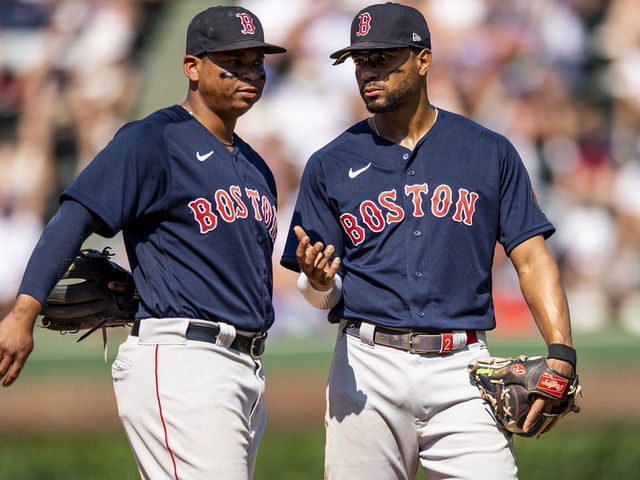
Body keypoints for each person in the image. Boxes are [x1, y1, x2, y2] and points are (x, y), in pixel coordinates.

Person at [280, 3, 576, 479]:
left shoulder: (487, 150)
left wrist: (560, 352)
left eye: (382, 58)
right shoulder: (329, 163)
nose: (368, 73)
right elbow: (320, 297)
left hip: (462, 368)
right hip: (366, 365)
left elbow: (532, 257)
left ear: (423, 59)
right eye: (360, 62)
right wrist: (316, 283)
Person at [0, 6, 285, 479]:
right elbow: (75, 217)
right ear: (192, 67)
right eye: (232, 62)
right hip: (184, 366)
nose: (249, 73)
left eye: (256, 61)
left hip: (245, 368)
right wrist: (23, 312)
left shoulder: (256, 166)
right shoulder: (152, 140)